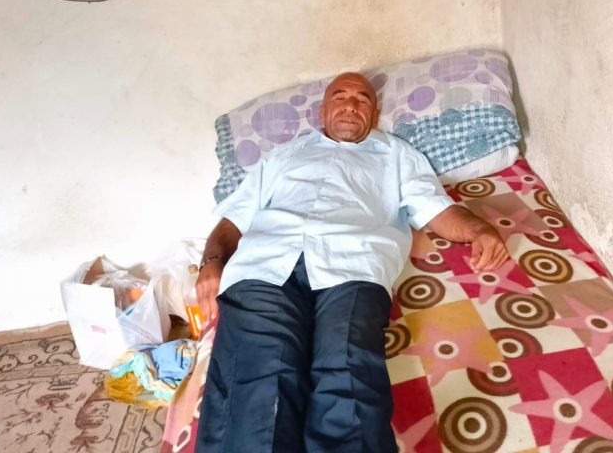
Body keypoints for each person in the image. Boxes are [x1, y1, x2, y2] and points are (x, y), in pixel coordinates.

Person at [194, 72, 508, 453]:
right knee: (261, 380)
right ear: (322, 111)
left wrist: (479, 229)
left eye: (362, 99)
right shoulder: (282, 157)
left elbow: (436, 209)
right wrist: (212, 261)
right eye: (339, 96)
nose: (350, 104)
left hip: (353, 268)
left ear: (374, 115)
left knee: (348, 372)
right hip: (265, 267)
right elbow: (232, 221)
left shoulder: (396, 155)